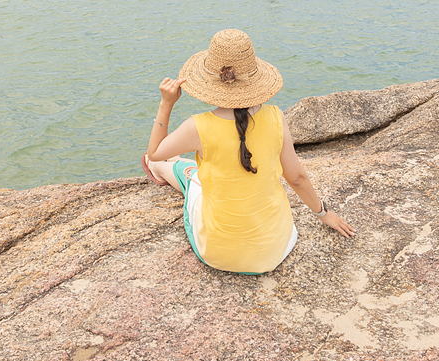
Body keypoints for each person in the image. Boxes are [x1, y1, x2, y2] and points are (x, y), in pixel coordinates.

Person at [142, 29, 355, 274]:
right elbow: (297, 178)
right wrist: (323, 214)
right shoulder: (276, 117)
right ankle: (174, 164)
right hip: (276, 248)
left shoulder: (198, 127)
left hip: (220, 254)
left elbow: (156, 149)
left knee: (190, 174)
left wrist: (166, 103)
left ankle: (162, 168)